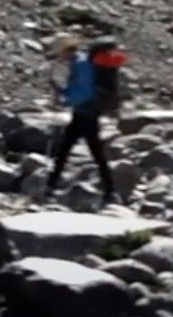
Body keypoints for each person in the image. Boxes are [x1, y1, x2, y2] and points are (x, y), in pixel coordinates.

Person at [47, 34, 126, 205]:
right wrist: (64, 93)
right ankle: (109, 191)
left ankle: (51, 186)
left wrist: (64, 97)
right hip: (90, 113)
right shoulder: (86, 62)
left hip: (84, 113)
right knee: (93, 153)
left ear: (68, 51)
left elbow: (83, 91)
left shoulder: (81, 64)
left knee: (67, 150)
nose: (61, 57)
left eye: (61, 52)